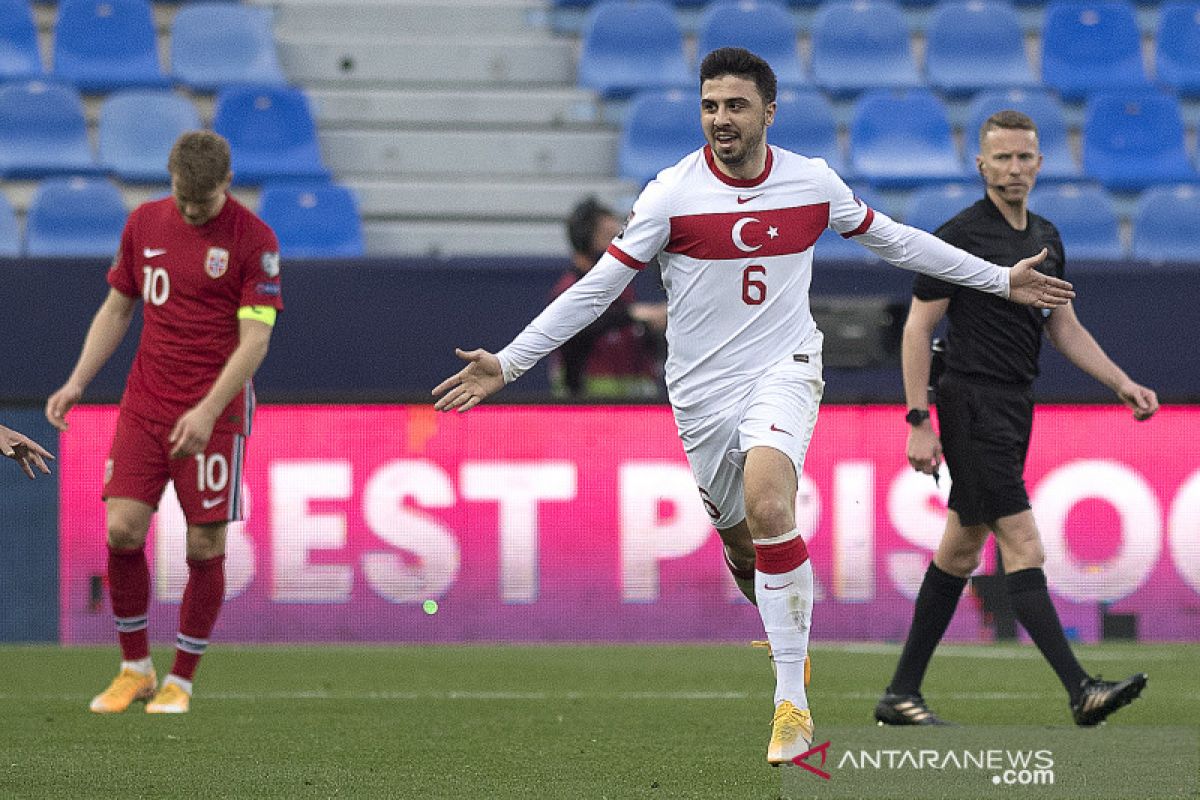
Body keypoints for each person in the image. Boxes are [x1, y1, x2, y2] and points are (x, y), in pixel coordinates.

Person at [431, 48, 1073, 764]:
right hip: (701, 392)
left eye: (735, 106)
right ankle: (781, 624)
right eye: (709, 106)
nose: (720, 119)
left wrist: (995, 280)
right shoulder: (671, 194)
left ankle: (791, 703)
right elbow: (596, 289)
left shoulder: (810, 182)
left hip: (785, 368)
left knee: (772, 508)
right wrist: (512, 360)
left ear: (769, 112)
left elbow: (894, 240)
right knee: (744, 547)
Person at [875, 110, 1157, 728]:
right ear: (981, 165)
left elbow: (1064, 327)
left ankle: (900, 694)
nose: (1013, 169)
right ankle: (1081, 688)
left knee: (959, 550)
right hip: (970, 403)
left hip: (1012, 405)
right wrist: (919, 418)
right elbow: (918, 327)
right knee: (1023, 544)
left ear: (1039, 163)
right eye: (1000, 158)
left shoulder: (1048, 238)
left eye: (1023, 157)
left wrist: (1121, 383)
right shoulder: (958, 237)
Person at [46, 131, 283, 715]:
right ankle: (135, 669)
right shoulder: (143, 224)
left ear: (226, 185)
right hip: (145, 404)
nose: (189, 209)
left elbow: (255, 339)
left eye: (201, 202)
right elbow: (119, 306)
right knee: (122, 530)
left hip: (215, 413)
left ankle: (182, 676)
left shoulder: (255, 242)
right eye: (182, 196)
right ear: (171, 178)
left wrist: (207, 410)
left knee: (204, 545)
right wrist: (78, 380)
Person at [549, 196, 666, 399]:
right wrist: (634, 315)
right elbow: (585, 329)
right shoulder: (567, 290)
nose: (619, 244)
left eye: (619, 235)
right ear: (584, 241)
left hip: (638, 407)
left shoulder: (621, 286)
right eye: (609, 236)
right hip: (587, 408)